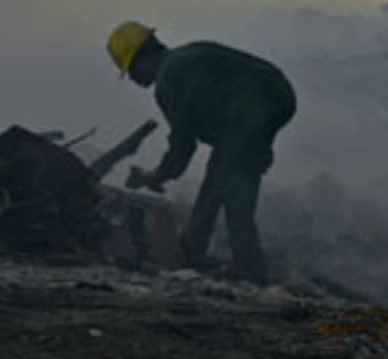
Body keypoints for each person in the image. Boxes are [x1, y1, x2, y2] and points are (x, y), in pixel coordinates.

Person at [106, 21, 296, 285]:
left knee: (223, 173)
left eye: (131, 69)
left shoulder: (169, 80)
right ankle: (238, 264)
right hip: (277, 94)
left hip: (254, 103)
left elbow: (183, 148)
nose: (134, 78)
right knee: (235, 175)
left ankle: (210, 258)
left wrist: (155, 177)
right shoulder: (183, 59)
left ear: (144, 57)